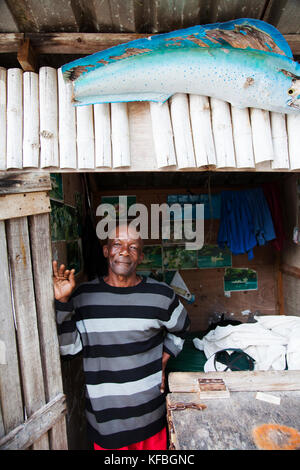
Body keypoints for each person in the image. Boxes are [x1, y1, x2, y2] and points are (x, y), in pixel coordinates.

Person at [53, 223, 190, 450]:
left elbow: (182, 328)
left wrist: (164, 359)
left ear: (141, 256)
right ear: (106, 251)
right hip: (107, 425)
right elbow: (68, 350)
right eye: (117, 244)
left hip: (151, 417)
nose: (124, 251)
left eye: (133, 247)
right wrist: (63, 303)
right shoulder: (83, 297)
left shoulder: (161, 295)